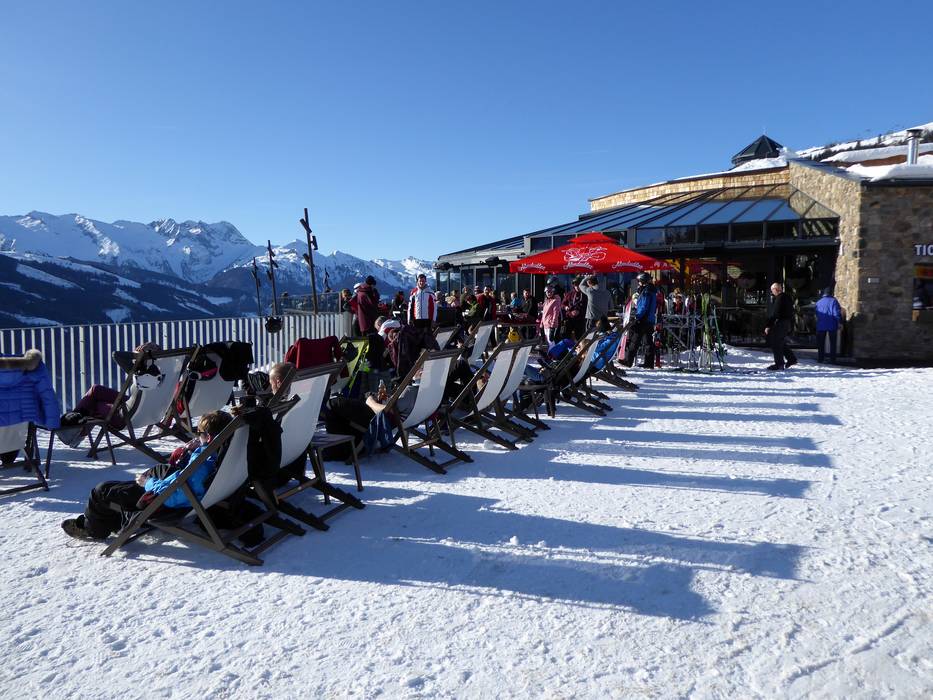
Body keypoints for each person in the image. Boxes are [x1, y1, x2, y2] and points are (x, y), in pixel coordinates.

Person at [61, 410, 234, 540]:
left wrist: (148, 483)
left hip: (167, 501)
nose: (197, 436)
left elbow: (174, 495)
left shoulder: (203, 463)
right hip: (184, 491)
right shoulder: (223, 452)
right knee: (149, 475)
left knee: (102, 491)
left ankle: (92, 529)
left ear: (208, 437)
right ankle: (112, 517)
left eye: (199, 433)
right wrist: (191, 452)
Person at [622, 273, 658, 369]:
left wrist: (637, 316)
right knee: (648, 342)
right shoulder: (652, 290)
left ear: (642, 281)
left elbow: (644, 306)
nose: (638, 283)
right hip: (649, 319)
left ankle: (628, 361)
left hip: (643, 319)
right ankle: (649, 363)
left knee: (635, 340)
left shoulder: (646, 291)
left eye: (639, 281)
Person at [764, 282, 798, 371]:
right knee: (780, 341)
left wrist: (768, 325)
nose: (772, 293)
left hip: (781, 323)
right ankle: (791, 359)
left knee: (776, 343)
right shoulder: (787, 298)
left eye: (772, 291)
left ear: (776, 290)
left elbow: (776, 313)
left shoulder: (780, 298)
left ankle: (779, 364)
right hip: (787, 322)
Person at [815, 286, 842, 363]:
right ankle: (832, 359)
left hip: (821, 325)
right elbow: (836, 313)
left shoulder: (819, 302)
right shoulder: (834, 301)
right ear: (831, 293)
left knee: (821, 343)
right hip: (832, 324)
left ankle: (820, 358)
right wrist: (840, 322)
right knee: (833, 343)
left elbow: (817, 313)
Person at [562, 276, 587, 340]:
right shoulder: (569, 294)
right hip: (569, 318)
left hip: (580, 319)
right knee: (567, 336)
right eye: (575, 285)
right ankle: (568, 346)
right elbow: (563, 304)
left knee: (580, 337)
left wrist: (579, 311)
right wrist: (566, 307)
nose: (577, 287)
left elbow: (587, 307)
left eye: (578, 285)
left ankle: (579, 346)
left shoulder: (585, 295)